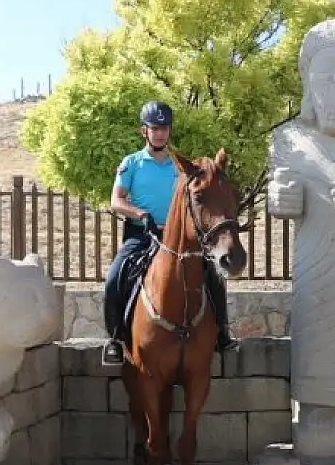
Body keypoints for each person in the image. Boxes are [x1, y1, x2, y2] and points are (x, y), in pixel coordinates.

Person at [100, 100, 239, 365]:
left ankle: (222, 334)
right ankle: (116, 339)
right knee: (114, 278)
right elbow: (116, 201)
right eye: (154, 128)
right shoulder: (132, 163)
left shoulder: (182, 167)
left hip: (179, 238)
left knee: (213, 279)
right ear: (145, 131)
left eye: (164, 128)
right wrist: (140, 214)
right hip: (142, 234)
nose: (160, 133)